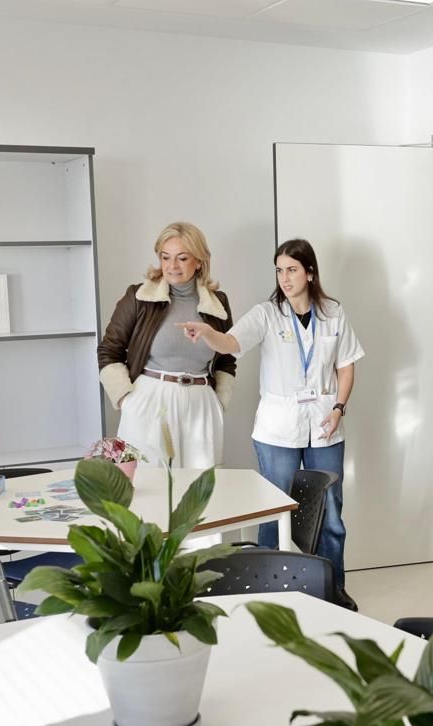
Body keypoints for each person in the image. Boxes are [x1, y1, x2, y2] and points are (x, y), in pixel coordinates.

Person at [180, 239, 364, 605]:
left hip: (325, 426)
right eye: (279, 270)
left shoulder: (333, 312)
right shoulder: (267, 314)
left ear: (310, 273)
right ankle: (267, 592)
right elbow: (232, 342)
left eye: (292, 269)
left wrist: (339, 408)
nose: (284, 277)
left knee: (330, 515)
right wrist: (207, 334)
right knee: (274, 510)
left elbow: (346, 365)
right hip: (277, 429)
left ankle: (332, 589)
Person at [97, 222, 236, 468]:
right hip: (150, 401)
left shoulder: (218, 302)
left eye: (182, 258)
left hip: (201, 404)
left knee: (200, 491)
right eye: (165, 257)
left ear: (199, 260)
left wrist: (219, 401)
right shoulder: (139, 297)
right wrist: (125, 400)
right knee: (149, 486)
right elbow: (109, 350)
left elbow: (226, 357)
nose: (172, 266)